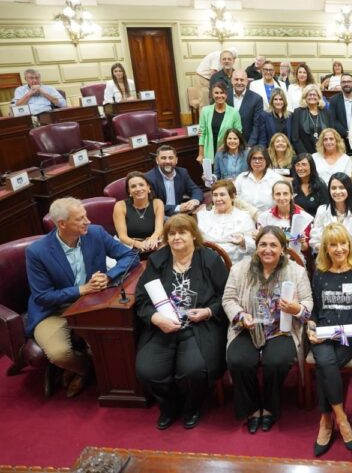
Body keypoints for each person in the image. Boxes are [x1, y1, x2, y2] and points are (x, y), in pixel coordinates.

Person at [26, 197, 137, 398]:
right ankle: (84, 369)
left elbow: (131, 257)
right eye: (80, 219)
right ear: (62, 224)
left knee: (113, 343)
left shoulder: (95, 233)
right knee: (60, 354)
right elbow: (43, 297)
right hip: (53, 311)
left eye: (85, 216)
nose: (88, 221)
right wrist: (81, 289)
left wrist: (109, 276)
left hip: (93, 305)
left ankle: (98, 372)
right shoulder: (37, 252)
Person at [134, 214, 229, 430]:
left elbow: (226, 296)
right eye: (172, 233)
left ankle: (192, 407)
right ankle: (169, 405)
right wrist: (156, 318)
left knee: (193, 371)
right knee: (147, 371)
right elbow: (141, 298)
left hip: (199, 326)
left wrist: (207, 311)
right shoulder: (158, 260)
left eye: (182, 232)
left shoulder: (210, 259)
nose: (176, 237)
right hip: (163, 327)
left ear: (194, 235)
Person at [223, 226, 313, 433]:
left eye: (274, 245)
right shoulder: (240, 269)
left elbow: (308, 302)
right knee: (238, 361)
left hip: (281, 329)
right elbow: (228, 299)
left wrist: (297, 308)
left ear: (283, 248)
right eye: (263, 244)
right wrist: (240, 316)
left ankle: (271, 408)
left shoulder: (296, 271)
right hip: (248, 328)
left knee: (277, 362)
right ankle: (253, 408)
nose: (268, 250)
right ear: (256, 248)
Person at [308, 223, 352, 456]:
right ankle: (341, 418)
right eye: (333, 245)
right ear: (325, 249)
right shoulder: (319, 271)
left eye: (343, 243)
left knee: (324, 367)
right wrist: (310, 327)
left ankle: (326, 420)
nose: (339, 249)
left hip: (351, 333)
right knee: (326, 363)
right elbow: (314, 310)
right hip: (323, 334)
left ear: (349, 245)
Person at [197, 180, 256, 264]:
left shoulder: (244, 217)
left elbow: (254, 245)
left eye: (222, 195)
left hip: (234, 265)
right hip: (205, 264)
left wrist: (243, 242)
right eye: (215, 195)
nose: (218, 199)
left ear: (233, 196)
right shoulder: (202, 216)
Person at [256, 180, 312, 255]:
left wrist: (301, 242)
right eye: (278, 194)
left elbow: (305, 248)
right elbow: (260, 245)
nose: (282, 198)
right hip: (271, 256)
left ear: (291, 195)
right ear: (273, 196)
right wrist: (257, 237)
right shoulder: (264, 217)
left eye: (285, 194)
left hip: (295, 259)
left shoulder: (304, 218)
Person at [113, 171, 164, 252]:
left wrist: (153, 238)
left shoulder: (157, 203)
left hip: (153, 245)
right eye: (133, 186)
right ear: (129, 191)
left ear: (148, 187)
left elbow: (159, 229)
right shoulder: (120, 206)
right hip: (129, 248)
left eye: (141, 185)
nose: (138, 189)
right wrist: (138, 244)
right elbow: (122, 236)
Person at [145, 145, 203, 216]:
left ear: (176, 160)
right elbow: (152, 206)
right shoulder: (149, 178)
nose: (168, 161)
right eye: (163, 158)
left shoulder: (182, 172)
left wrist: (194, 201)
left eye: (171, 158)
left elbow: (195, 189)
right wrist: (178, 208)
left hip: (179, 214)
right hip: (160, 216)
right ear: (157, 160)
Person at [197, 81, 242, 163]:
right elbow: (202, 134)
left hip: (228, 152)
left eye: (222, 93)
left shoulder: (234, 112)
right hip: (209, 152)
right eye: (216, 93)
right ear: (212, 94)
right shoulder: (205, 111)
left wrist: (223, 146)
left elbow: (238, 134)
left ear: (226, 94)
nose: (219, 96)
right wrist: (201, 154)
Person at [233, 146, 283, 215]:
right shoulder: (241, 178)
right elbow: (235, 199)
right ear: (249, 160)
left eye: (260, 158)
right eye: (254, 158)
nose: (257, 161)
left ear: (266, 160)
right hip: (244, 219)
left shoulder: (276, 179)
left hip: (269, 219)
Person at [291, 84, 333, 155]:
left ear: (319, 97)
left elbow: (331, 133)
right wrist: (306, 155)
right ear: (305, 97)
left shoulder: (326, 112)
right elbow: (295, 138)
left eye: (314, 95)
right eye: (309, 95)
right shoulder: (298, 112)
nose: (312, 97)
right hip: (305, 153)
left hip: (325, 153)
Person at [227, 69, 263, 145]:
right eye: (236, 79)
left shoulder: (256, 99)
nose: (239, 82)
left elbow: (257, 125)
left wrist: (250, 146)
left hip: (247, 143)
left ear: (247, 81)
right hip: (226, 143)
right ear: (231, 80)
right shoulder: (224, 96)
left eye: (242, 80)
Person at [291, 153, 329, 217]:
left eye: (304, 164)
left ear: (311, 166)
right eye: (297, 165)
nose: (300, 168)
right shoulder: (292, 186)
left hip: (317, 223)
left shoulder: (321, 185)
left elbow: (326, 209)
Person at [328, 73, 352, 149]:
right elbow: (333, 120)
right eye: (344, 82)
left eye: (349, 81)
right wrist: (347, 133)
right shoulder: (333, 100)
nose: (346, 84)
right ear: (340, 84)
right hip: (341, 139)